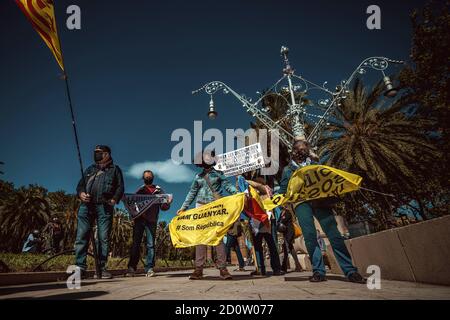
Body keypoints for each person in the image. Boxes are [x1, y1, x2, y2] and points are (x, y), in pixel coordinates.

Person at [278, 139, 365, 283]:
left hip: (321, 203)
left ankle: (350, 271)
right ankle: (318, 271)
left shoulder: (315, 165)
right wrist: (274, 198)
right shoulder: (288, 170)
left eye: (304, 149)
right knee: (310, 237)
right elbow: (283, 189)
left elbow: (327, 179)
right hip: (301, 205)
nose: (301, 151)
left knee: (334, 235)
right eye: (299, 149)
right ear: (293, 151)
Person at [177, 150, 236, 280]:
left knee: (218, 236)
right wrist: (183, 207)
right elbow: (192, 193)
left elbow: (228, 186)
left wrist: (237, 194)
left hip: (215, 206)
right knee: (201, 237)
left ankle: (223, 268)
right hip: (201, 207)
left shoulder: (219, 174)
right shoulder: (198, 177)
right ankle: (198, 269)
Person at [75, 145, 124, 279]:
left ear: (107, 154)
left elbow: (120, 187)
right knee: (82, 235)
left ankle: (101, 269)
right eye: (95, 152)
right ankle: (80, 267)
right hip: (86, 205)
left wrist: (114, 199)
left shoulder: (115, 170)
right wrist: (81, 194)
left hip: (104, 206)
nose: (96, 155)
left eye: (99, 153)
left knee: (103, 238)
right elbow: (80, 185)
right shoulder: (90, 169)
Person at [126, 170, 172, 277]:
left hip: (151, 221)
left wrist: (168, 203)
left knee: (151, 245)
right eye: (146, 177)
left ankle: (149, 268)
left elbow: (164, 207)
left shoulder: (159, 190)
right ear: (143, 178)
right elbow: (133, 205)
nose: (148, 178)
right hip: (139, 220)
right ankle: (132, 268)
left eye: (149, 176)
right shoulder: (140, 190)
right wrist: (133, 216)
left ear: (153, 178)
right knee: (136, 244)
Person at [237, 174, 283, 276]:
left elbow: (259, 187)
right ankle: (261, 269)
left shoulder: (265, 188)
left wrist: (244, 180)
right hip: (255, 219)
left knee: (271, 244)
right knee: (258, 245)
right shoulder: (248, 188)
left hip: (267, 217)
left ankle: (276, 268)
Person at [279, 208, 303, 273]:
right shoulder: (281, 213)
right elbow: (279, 222)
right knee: (289, 248)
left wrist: (281, 220)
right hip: (285, 233)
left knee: (287, 248)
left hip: (290, 232)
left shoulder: (287, 212)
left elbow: (283, 220)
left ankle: (285, 267)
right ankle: (297, 266)